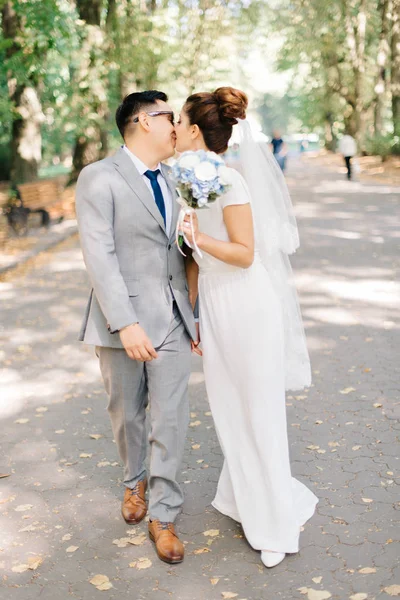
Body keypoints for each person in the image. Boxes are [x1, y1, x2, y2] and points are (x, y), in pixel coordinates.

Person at [175, 87, 318, 569]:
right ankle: (243, 496)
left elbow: (243, 253)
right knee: (227, 408)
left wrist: (198, 236)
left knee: (258, 410)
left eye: (179, 120)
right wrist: (192, 313)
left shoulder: (231, 181)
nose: (173, 127)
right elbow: (193, 260)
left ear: (196, 130)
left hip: (247, 302)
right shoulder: (187, 180)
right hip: (214, 305)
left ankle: (275, 522)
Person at [75, 91, 197, 565]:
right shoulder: (99, 177)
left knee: (172, 418)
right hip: (120, 322)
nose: (177, 126)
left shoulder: (178, 178)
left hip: (174, 319)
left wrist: (198, 313)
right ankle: (134, 484)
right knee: (127, 414)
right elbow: (98, 254)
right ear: (144, 121)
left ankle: (163, 515)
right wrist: (124, 322)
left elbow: (186, 253)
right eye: (171, 117)